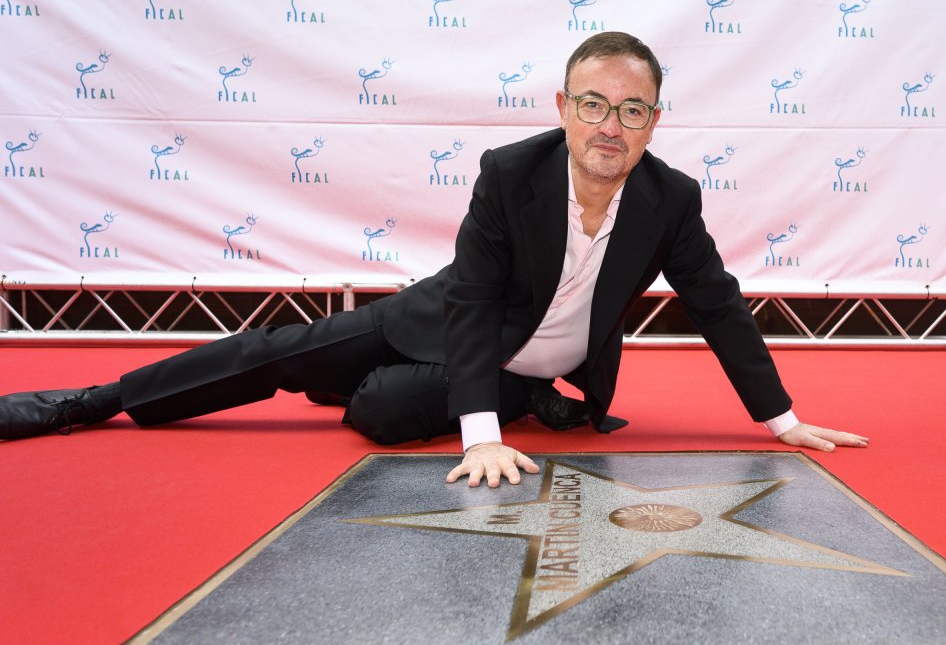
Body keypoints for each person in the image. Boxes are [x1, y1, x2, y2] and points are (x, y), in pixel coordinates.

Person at [0, 32, 867, 486]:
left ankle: (393, 389)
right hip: (442, 318)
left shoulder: (671, 199)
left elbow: (717, 304)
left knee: (378, 411)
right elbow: (476, 293)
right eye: (595, 104)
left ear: (654, 119)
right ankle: (93, 400)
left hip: (521, 369)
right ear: (564, 106)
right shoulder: (510, 171)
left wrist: (780, 419)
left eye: (633, 110)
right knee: (279, 353)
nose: (612, 125)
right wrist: (481, 434)